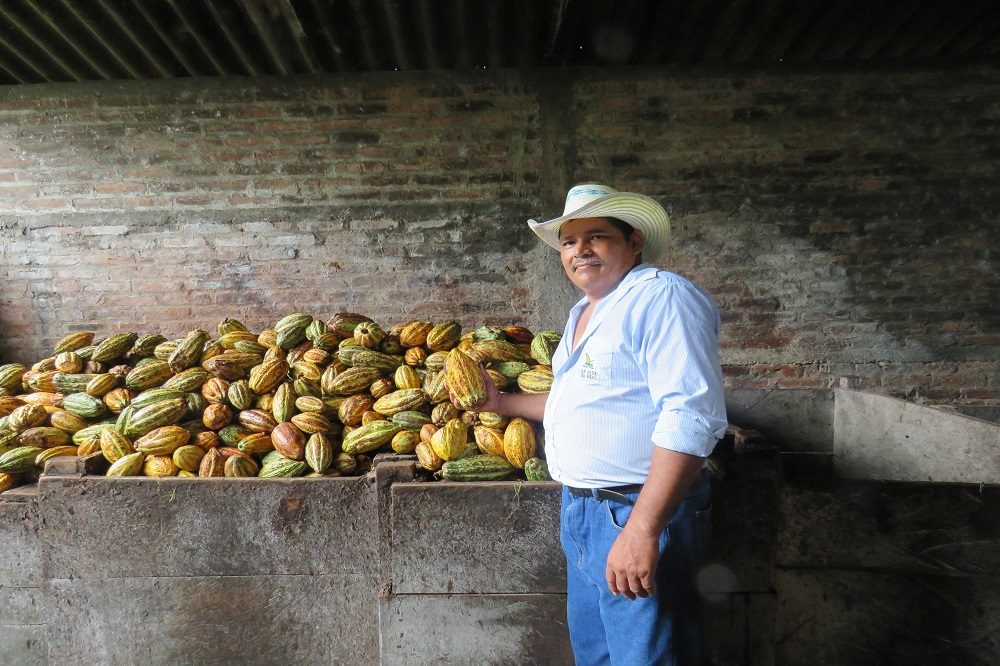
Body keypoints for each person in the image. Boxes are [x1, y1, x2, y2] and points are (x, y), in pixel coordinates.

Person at [475, 184, 728, 665]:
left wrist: (642, 530)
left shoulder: (661, 298)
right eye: (569, 242)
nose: (580, 251)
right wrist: (501, 403)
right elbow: (580, 402)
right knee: (600, 657)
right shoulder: (585, 311)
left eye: (596, 237)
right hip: (584, 512)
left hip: (635, 508)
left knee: (647, 657)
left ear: (634, 241)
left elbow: (691, 417)